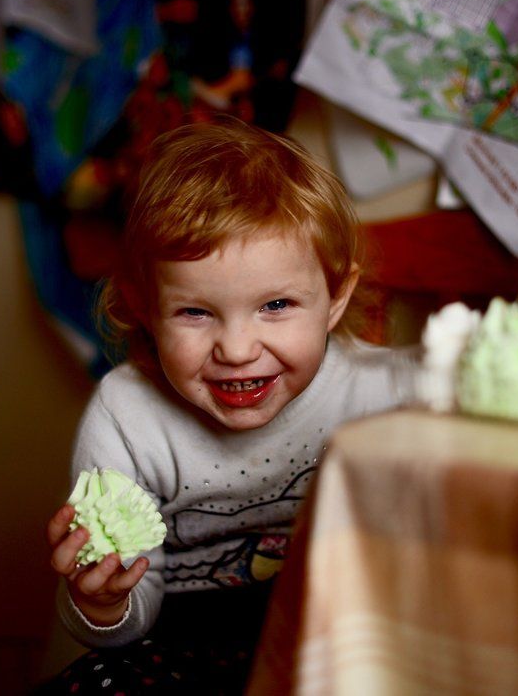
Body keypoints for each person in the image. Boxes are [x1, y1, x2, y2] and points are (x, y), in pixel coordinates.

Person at [39, 117, 413, 694]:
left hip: (341, 636)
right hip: (181, 649)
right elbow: (125, 623)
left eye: (276, 305)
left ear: (336, 297)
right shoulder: (127, 419)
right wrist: (105, 601)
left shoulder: (381, 388)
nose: (237, 350)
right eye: (195, 312)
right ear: (143, 306)